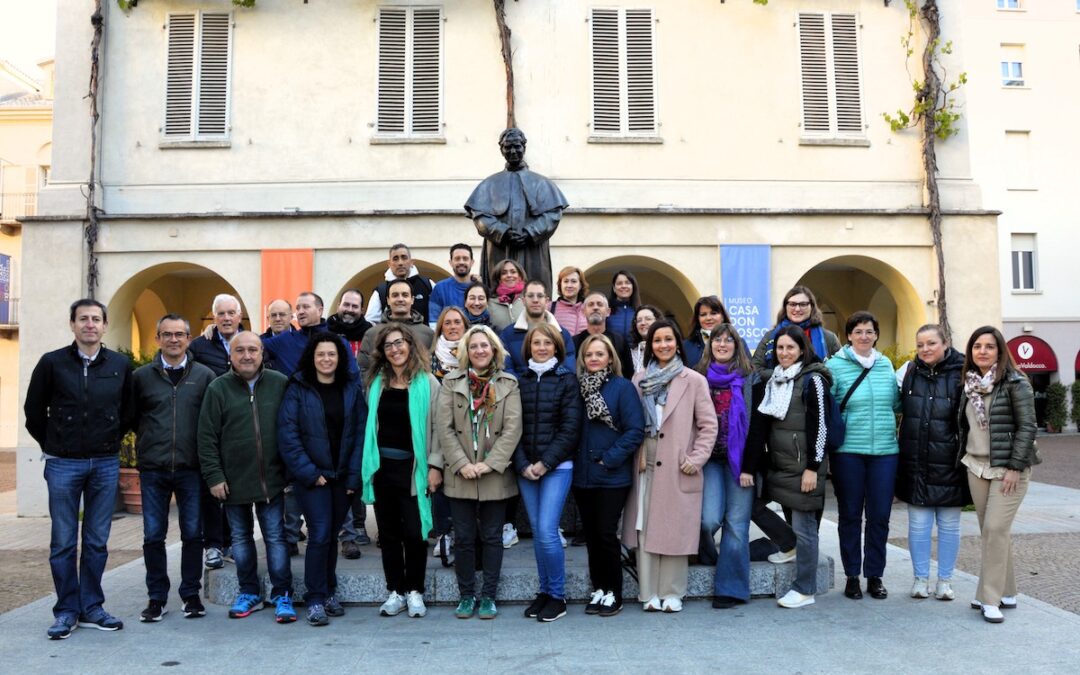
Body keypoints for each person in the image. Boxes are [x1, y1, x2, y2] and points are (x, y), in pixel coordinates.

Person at [24, 299, 134, 639]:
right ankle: (66, 610)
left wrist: (109, 442)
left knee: (97, 541)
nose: (90, 324)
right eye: (83, 319)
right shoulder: (52, 363)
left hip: (103, 463)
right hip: (63, 464)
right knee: (63, 542)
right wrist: (54, 445)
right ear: (72, 324)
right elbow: (33, 412)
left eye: (96, 319)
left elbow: (129, 412)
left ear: (104, 326)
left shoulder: (120, 364)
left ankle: (92, 607)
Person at [197, 331, 295, 623]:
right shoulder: (218, 389)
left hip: (273, 481)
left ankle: (282, 593)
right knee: (240, 539)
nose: (247, 355)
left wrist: (290, 471)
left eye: (253, 349)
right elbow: (206, 437)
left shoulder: (280, 384)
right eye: (240, 350)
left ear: (263, 353)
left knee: (276, 538)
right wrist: (214, 477)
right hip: (232, 483)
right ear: (231, 355)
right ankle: (249, 591)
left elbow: (292, 427)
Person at [623, 320, 717, 613]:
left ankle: (673, 591)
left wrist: (695, 458)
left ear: (677, 342)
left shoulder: (693, 380)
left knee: (675, 527)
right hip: (644, 460)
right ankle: (648, 591)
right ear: (649, 346)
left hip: (679, 463)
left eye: (668, 339)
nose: (663, 345)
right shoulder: (638, 380)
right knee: (645, 525)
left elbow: (708, 425)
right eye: (656, 340)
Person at [277, 332, 366, 626]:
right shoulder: (298, 387)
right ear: (312, 358)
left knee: (331, 535)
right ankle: (315, 598)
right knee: (320, 533)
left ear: (340, 358)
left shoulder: (352, 388)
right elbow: (288, 435)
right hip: (312, 477)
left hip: (343, 477)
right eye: (320, 354)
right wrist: (310, 473)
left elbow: (360, 434)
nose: (326, 359)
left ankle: (329, 590)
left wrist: (354, 475)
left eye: (332, 354)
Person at [131, 314, 215, 623]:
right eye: (167, 334)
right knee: (153, 535)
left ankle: (191, 595)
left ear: (189, 339)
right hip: (153, 468)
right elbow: (131, 417)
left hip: (191, 468)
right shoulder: (141, 377)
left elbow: (211, 423)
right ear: (157, 339)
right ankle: (156, 598)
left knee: (193, 533)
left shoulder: (204, 376)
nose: (173, 339)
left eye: (180, 334)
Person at [436, 325, 523, 619]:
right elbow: (444, 428)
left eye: (485, 346)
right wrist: (461, 463)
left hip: (494, 473)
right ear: (465, 352)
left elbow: (512, 429)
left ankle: (488, 596)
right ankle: (466, 595)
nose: (480, 351)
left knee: (492, 537)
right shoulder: (451, 382)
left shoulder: (508, 383)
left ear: (494, 349)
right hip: (460, 473)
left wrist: (489, 463)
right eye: (473, 347)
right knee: (462, 537)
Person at [958, 326, 1039, 624]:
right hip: (976, 467)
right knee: (993, 533)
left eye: (989, 346)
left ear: (1000, 351)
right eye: (976, 346)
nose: (982, 351)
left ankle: (989, 598)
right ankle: (1008, 591)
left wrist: (1015, 467)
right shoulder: (968, 384)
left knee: (994, 529)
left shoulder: (1016, 383)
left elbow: (1028, 428)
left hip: (1008, 469)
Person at [361, 324, 442, 619]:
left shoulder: (428, 383)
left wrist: (435, 465)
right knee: (389, 533)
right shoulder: (376, 383)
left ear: (410, 345)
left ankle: (415, 591)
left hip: (414, 468)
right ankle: (395, 590)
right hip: (382, 468)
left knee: (415, 531)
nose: (395, 349)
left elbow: (437, 429)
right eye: (388, 345)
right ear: (382, 352)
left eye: (400, 343)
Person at [749, 326, 833, 608]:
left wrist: (813, 467)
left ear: (802, 350)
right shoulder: (775, 379)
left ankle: (805, 588)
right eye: (780, 348)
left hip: (804, 466)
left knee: (806, 528)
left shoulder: (813, 380)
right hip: (780, 464)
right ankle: (788, 543)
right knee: (753, 504)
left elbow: (820, 427)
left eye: (790, 348)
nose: (784, 353)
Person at [827, 311, 900, 601]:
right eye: (858, 331)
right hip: (848, 453)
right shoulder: (834, 366)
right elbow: (829, 408)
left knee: (880, 516)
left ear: (876, 335)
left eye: (869, 331)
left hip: (884, 452)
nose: (864, 337)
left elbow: (895, 403)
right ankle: (852, 576)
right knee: (850, 515)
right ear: (848, 335)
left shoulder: (885, 366)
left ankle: (875, 575)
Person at [514, 324, 583, 622]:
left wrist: (545, 463)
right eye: (536, 343)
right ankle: (544, 592)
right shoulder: (519, 381)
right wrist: (522, 465)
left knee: (545, 531)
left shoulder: (568, 381)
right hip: (526, 469)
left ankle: (558, 596)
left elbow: (570, 429)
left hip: (557, 467)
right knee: (539, 534)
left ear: (557, 347)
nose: (542, 347)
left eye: (547, 343)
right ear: (528, 347)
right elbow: (510, 428)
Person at [572, 334, 645, 617]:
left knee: (605, 533)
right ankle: (598, 588)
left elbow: (634, 430)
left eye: (599, 354)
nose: (593, 359)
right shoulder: (577, 387)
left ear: (610, 358)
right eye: (589, 354)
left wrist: (608, 459)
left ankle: (614, 590)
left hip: (611, 475)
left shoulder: (622, 388)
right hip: (583, 475)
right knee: (591, 535)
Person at [896, 324, 967, 602]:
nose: (925, 349)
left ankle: (946, 581)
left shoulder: (962, 373)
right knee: (918, 525)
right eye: (921, 344)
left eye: (931, 343)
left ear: (945, 343)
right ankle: (920, 579)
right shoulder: (909, 372)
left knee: (949, 526)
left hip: (950, 461)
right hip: (916, 460)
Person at [694, 324, 761, 609]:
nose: (722, 344)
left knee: (736, 525)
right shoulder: (697, 378)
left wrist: (749, 467)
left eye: (728, 340)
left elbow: (758, 428)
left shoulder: (750, 379)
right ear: (710, 346)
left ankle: (730, 588)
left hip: (740, 464)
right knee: (708, 520)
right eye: (717, 340)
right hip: (707, 460)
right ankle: (708, 556)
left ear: (737, 345)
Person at [465, 127, 569, 291]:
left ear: (524, 147)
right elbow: (480, 216)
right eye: (508, 147)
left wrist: (531, 232)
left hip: (533, 248)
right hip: (500, 248)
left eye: (517, 146)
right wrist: (502, 232)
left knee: (535, 292)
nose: (513, 151)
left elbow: (553, 215)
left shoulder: (542, 183)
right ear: (501, 150)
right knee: (496, 291)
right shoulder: (489, 184)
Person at [189, 293, 241, 571]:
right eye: (220, 314)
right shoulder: (199, 345)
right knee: (210, 490)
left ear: (239, 315)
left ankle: (233, 541)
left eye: (231, 312)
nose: (226, 318)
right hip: (209, 426)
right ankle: (213, 545)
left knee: (236, 489)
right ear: (214, 317)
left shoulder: (250, 343)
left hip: (239, 426)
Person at [430, 307, 470, 562]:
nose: (453, 327)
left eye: (457, 322)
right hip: (439, 425)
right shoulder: (431, 357)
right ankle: (443, 533)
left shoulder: (474, 354)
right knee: (439, 478)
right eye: (448, 323)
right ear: (441, 328)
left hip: (469, 426)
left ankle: (462, 532)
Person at [264, 291, 359, 378]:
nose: (300, 312)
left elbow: (353, 379)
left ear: (320, 311)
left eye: (306, 307)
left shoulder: (339, 342)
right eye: (298, 308)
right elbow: (254, 344)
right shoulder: (285, 340)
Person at [752, 285, 842, 373]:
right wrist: (780, 377)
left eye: (803, 304)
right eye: (792, 304)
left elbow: (840, 369)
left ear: (812, 307)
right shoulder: (770, 337)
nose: (797, 309)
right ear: (785, 307)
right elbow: (755, 368)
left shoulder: (829, 338)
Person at [499, 279, 576, 377]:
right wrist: (526, 385)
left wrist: (549, 384)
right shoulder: (507, 335)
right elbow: (507, 369)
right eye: (530, 296)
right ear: (523, 300)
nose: (535, 300)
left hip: (555, 390)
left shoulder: (562, 334)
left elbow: (568, 368)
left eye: (540, 296)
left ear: (547, 301)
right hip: (519, 390)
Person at [359, 279, 435, 372]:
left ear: (412, 300)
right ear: (388, 300)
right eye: (395, 295)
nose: (400, 299)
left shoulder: (428, 334)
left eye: (405, 295)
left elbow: (432, 368)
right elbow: (364, 369)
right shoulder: (372, 334)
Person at [364, 243, 435, 324]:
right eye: (395, 258)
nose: (400, 263)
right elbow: (371, 322)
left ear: (411, 262)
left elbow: (438, 317)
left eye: (404, 258)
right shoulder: (381, 291)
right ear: (389, 264)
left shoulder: (427, 285)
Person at [573, 292, 633, 378]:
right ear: (583, 312)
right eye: (591, 305)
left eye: (600, 304)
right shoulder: (574, 342)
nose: (595, 307)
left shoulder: (619, 340)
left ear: (608, 312)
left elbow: (628, 372)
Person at [428, 243, 476, 325]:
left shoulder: (479, 289)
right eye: (457, 259)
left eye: (465, 258)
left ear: (472, 262)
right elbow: (433, 322)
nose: (461, 262)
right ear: (451, 262)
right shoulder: (440, 288)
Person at [683, 296, 732, 368]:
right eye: (703, 314)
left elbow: (749, 373)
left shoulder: (738, 342)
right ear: (698, 319)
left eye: (713, 313)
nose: (708, 318)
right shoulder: (686, 346)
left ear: (722, 317)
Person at [327, 288, 373, 360]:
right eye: (346, 305)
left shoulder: (371, 335)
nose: (349, 310)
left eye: (355, 306)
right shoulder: (325, 331)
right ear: (338, 306)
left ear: (362, 311)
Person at [487, 258, 526, 332]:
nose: (509, 275)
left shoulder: (528, 299)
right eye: (504, 273)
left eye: (513, 272)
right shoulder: (490, 303)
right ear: (499, 278)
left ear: (520, 276)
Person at [551, 266, 589, 336]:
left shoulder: (589, 308)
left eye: (573, 281)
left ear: (580, 285)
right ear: (560, 285)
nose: (569, 285)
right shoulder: (550, 307)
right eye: (565, 281)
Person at [606, 270, 640, 344]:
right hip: (612, 352)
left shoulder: (640, 312)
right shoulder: (606, 310)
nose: (623, 286)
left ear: (633, 287)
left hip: (634, 353)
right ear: (614, 289)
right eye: (619, 283)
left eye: (627, 283)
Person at [628, 304, 662, 375]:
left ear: (657, 321)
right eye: (639, 320)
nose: (643, 323)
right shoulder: (631, 352)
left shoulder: (666, 348)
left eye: (648, 319)